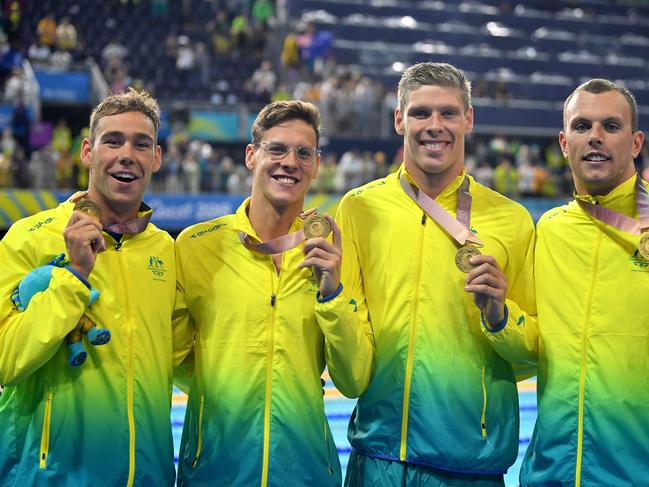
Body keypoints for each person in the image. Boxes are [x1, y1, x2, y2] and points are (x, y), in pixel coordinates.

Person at [335, 62, 536, 486]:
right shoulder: (359, 209)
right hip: (377, 458)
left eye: (447, 113)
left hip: (470, 463)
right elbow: (351, 346)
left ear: (468, 119)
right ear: (398, 119)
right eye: (421, 113)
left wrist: (500, 318)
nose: (434, 126)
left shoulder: (512, 220)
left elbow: (532, 353)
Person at [173, 100, 374, 486]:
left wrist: (332, 294)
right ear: (252, 155)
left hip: (306, 472)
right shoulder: (196, 247)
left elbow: (353, 380)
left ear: (316, 166)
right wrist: (227, 386)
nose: (290, 162)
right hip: (215, 472)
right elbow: (174, 359)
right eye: (277, 148)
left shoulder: (331, 253)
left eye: (303, 153)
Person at [0, 88, 177, 486]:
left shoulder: (164, 249)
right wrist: (73, 277)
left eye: (141, 144)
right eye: (112, 140)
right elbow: (6, 360)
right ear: (87, 151)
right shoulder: (27, 238)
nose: (126, 153)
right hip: (53, 476)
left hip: (147, 475)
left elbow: (181, 357)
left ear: (156, 158)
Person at [484, 79, 648, 486]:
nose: (595, 137)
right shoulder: (551, 230)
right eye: (582, 126)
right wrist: (499, 316)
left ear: (635, 143)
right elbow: (537, 347)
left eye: (611, 126)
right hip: (552, 471)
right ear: (563, 142)